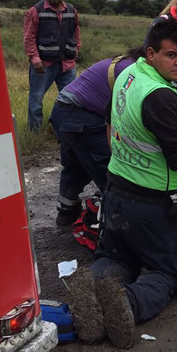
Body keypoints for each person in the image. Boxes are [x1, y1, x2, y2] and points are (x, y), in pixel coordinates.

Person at [67, 17, 177, 349]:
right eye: (172, 55)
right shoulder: (160, 96)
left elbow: (108, 119)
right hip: (154, 205)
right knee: (173, 273)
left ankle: (90, 286)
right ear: (151, 52)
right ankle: (127, 304)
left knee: (121, 257)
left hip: (117, 193)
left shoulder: (129, 75)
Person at [47, 48, 138, 226]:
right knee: (110, 167)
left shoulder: (119, 61)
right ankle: (120, 222)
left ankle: (67, 210)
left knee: (76, 164)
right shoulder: (133, 71)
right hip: (81, 117)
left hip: (62, 112)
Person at [24, 0, 81, 132]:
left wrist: (76, 50)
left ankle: (64, 131)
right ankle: (34, 133)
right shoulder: (35, 11)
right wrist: (35, 59)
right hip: (44, 65)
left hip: (67, 65)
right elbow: (29, 38)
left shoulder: (71, 10)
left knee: (70, 100)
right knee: (36, 100)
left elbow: (76, 31)